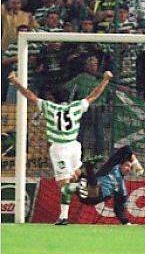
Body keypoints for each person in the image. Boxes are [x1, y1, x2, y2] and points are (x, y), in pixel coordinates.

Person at [8, 70, 113, 225]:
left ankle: (64, 217)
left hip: (60, 149)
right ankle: (96, 187)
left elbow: (30, 96)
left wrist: (16, 82)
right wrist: (105, 80)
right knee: (74, 178)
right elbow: (93, 95)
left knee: (64, 185)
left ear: (54, 99)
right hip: (75, 146)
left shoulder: (49, 107)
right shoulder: (76, 107)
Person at [76, 145, 144, 225]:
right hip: (88, 188)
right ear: (121, 164)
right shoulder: (112, 167)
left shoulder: (122, 189)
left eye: (131, 167)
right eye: (127, 165)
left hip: (93, 198)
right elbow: (126, 148)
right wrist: (135, 162)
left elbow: (118, 209)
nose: (128, 169)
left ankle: (89, 167)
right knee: (76, 175)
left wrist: (126, 223)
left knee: (93, 186)